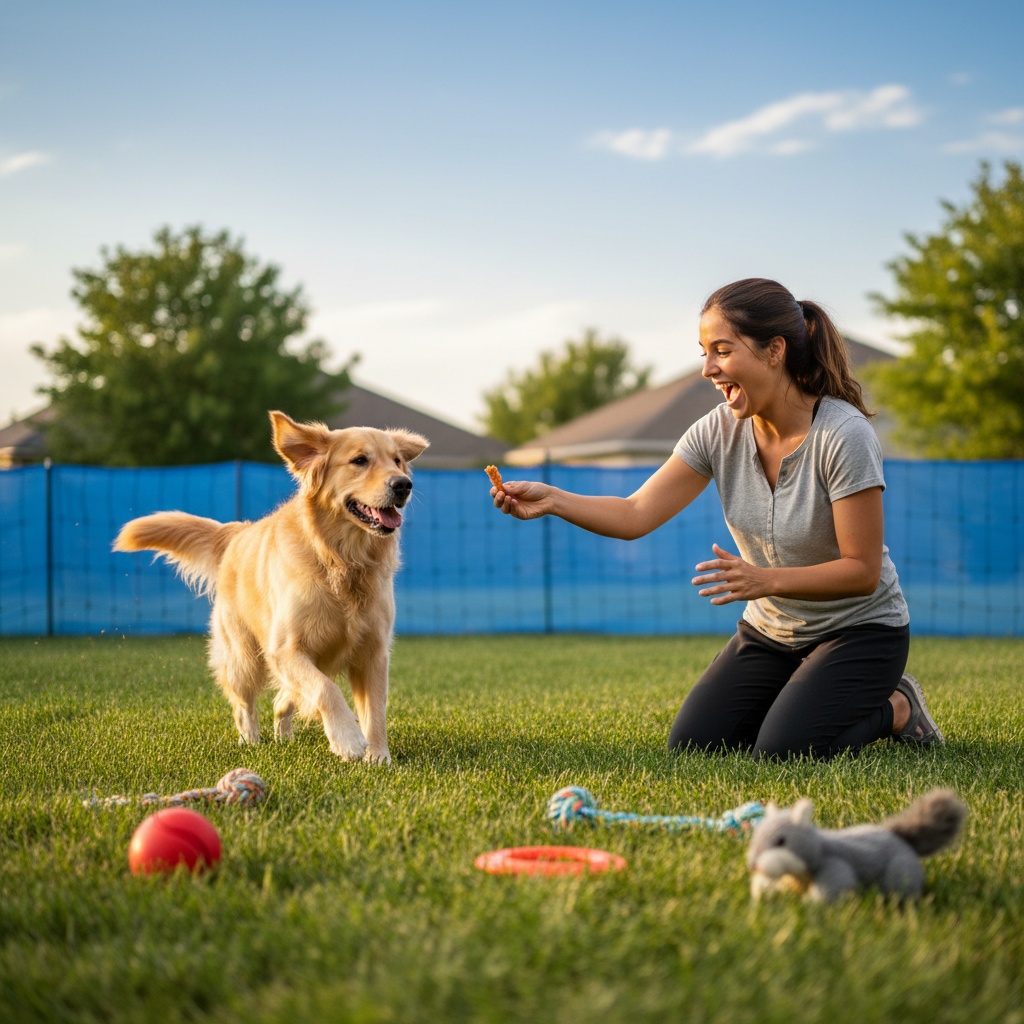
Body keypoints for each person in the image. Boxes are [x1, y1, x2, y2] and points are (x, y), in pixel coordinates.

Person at [490, 278, 944, 761]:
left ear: (774, 350)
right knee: (694, 747)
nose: (708, 369)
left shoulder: (843, 435)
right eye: (704, 352)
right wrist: (554, 499)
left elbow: (862, 570)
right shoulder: (718, 430)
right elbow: (635, 513)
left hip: (860, 630)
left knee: (782, 753)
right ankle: (798, 698)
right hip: (772, 630)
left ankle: (898, 706)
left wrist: (765, 579)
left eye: (722, 351)